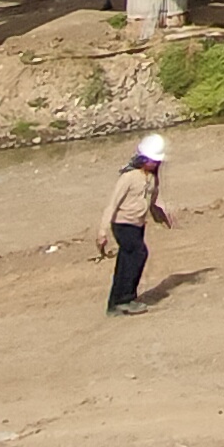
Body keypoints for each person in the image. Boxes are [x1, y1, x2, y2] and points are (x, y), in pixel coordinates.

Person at [96, 133, 173, 314]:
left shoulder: (152, 179)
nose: (155, 164)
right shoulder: (129, 177)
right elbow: (112, 204)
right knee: (139, 253)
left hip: (138, 225)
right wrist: (102, 231)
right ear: (143, 159)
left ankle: (115, 303)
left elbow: (152, 201)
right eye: (152, 161)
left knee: (125, 261)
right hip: (123, 224)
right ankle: (126, 299)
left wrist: (159, 215)